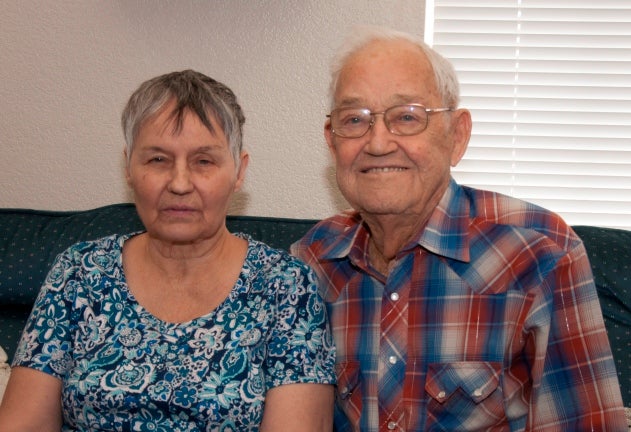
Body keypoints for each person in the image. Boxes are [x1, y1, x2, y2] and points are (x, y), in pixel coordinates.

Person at [291, 26, 627, 431]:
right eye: (354, 120)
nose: (377, 142)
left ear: (458, 135)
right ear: (332, 141)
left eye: (407, 117)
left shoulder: (540, 251)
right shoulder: (310, 262)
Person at [0, 70, 336, 431]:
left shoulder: (286, 286)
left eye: (203, 161)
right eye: (158, 160)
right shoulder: (78, 272)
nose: (179, 183)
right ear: (129, 166)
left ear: (239, 171)